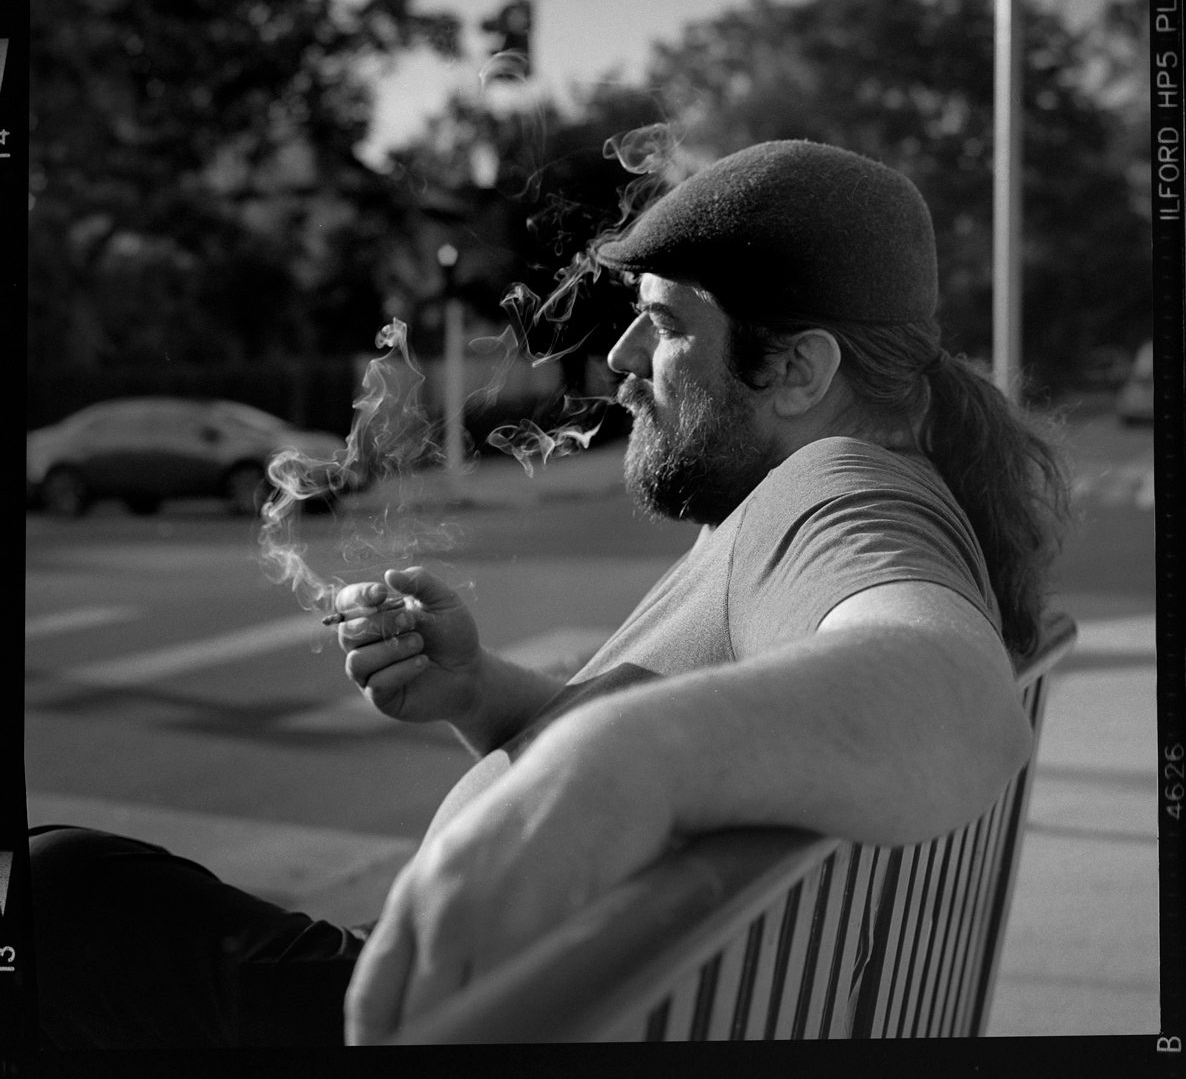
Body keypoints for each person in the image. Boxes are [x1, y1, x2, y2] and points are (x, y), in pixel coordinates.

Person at [28, 140, 1070, 1049]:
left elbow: (957, 695)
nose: (617, 360)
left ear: (796, 368)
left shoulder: (839, 490)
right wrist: (486, 695)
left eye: (661, 324)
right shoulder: (800, 498)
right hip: (552, 1005)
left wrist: (620, 767)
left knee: (53, 895)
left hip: (500, 1024)